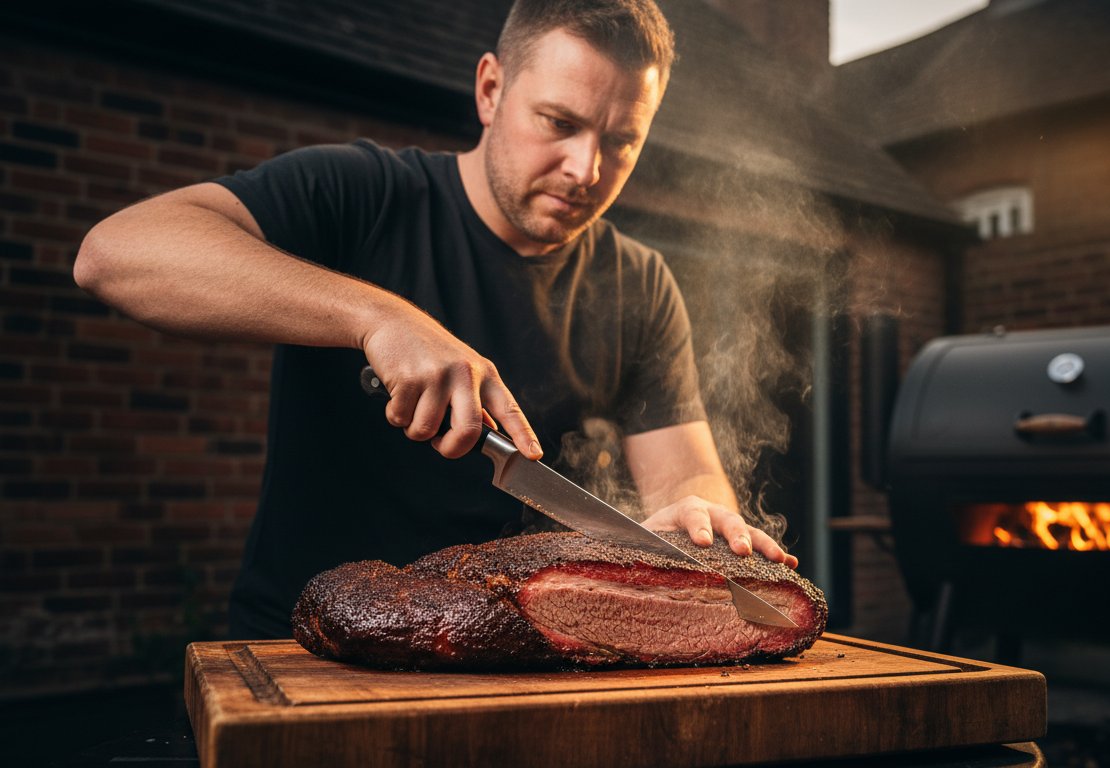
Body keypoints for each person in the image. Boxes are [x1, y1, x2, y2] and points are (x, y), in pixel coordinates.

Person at [73, 0, 798, 640]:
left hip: (516, 653)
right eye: (560, 123)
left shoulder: (640, 283)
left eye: (621, 141)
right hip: (301, 652)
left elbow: (684, 488)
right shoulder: (361, 191)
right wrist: (375, 315)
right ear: (491, 89)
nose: (587, 168)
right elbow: (113, 255)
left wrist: (696, 520)